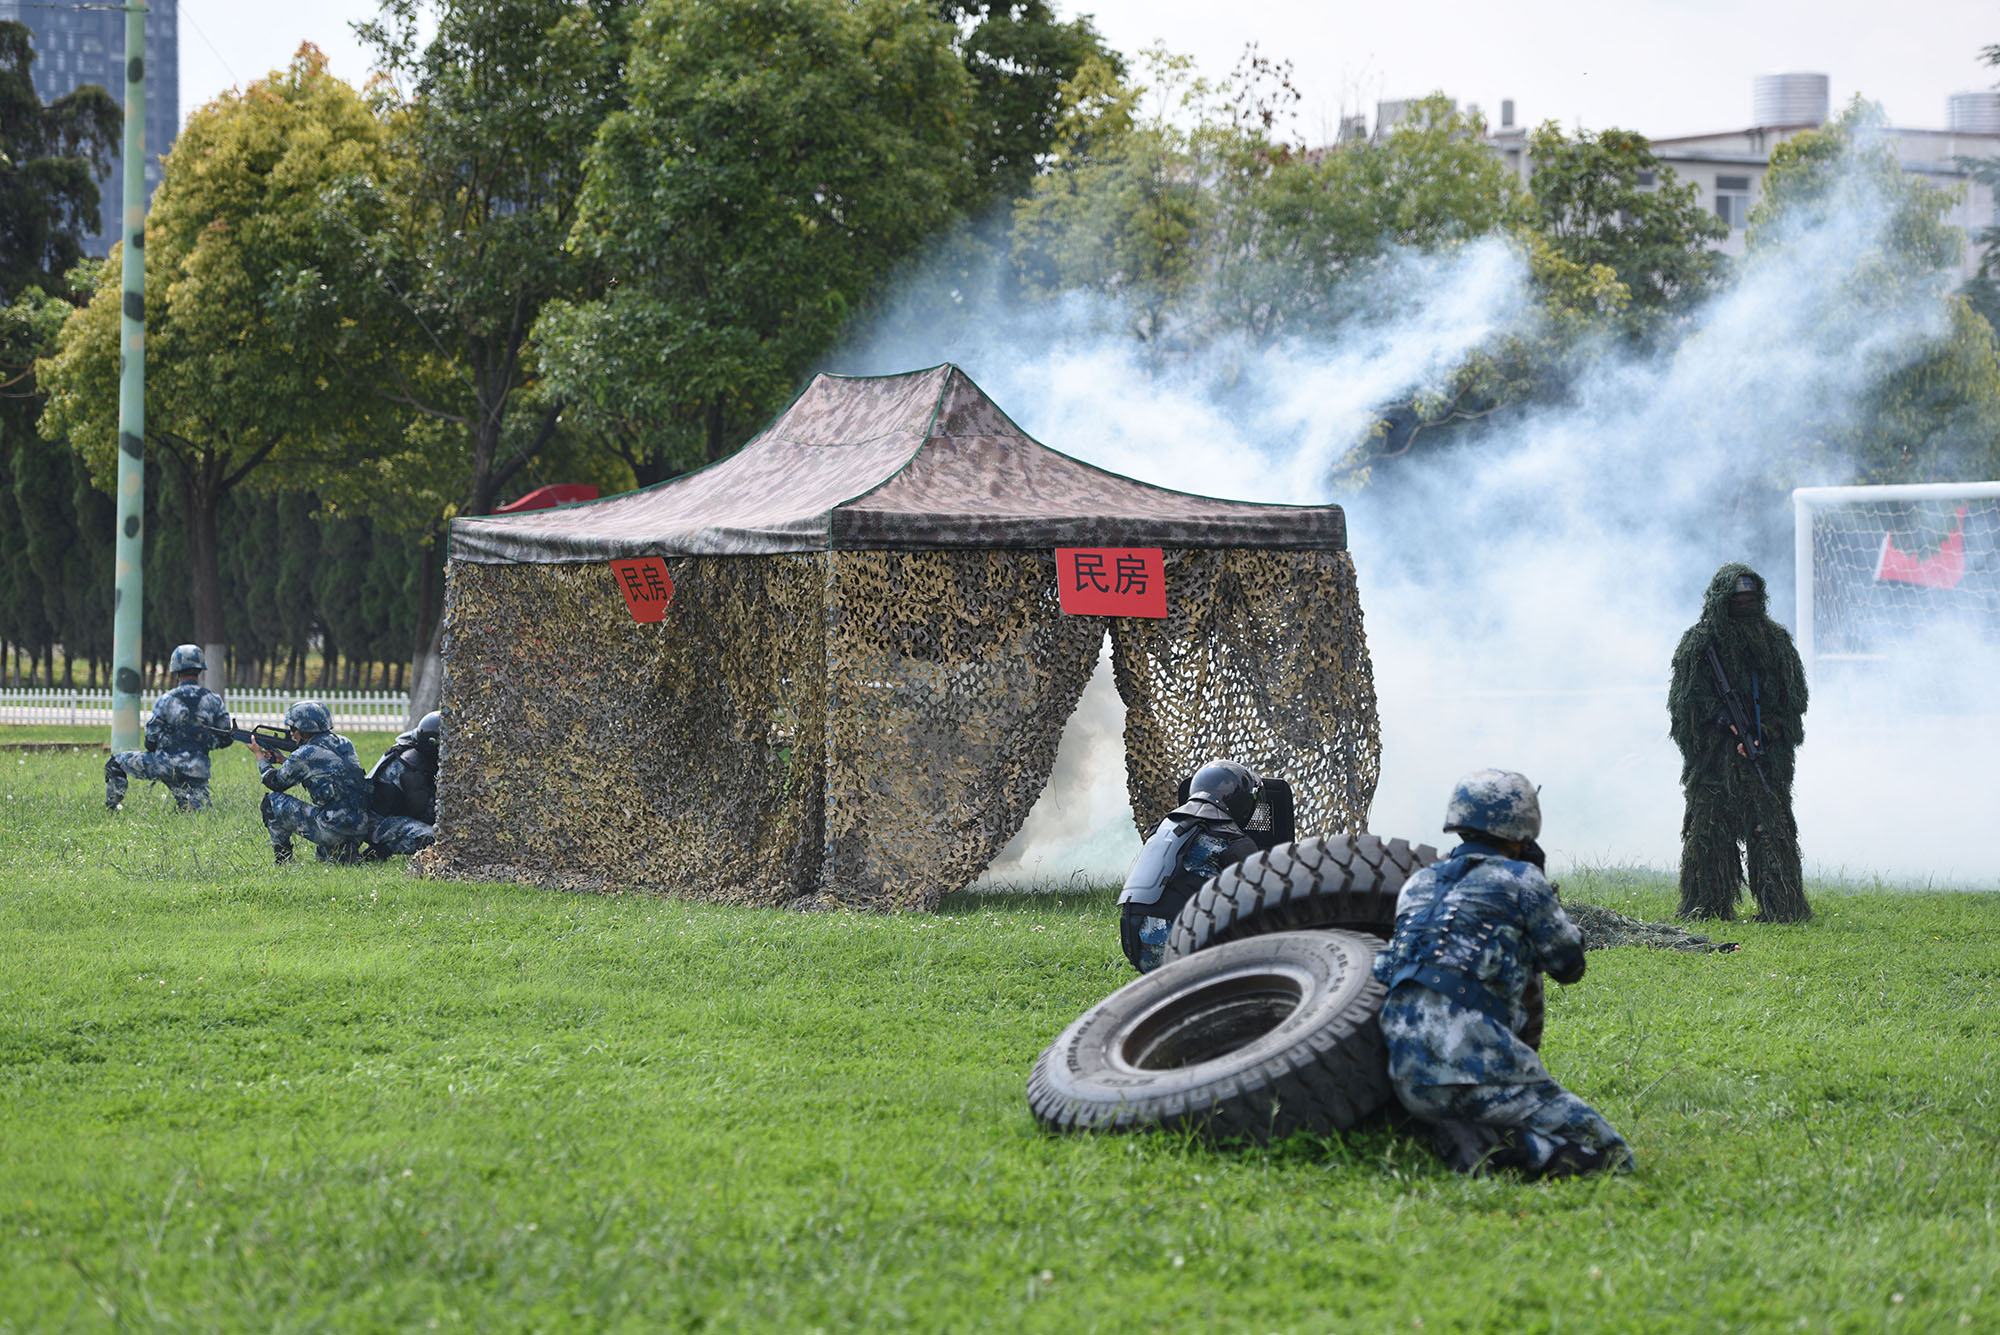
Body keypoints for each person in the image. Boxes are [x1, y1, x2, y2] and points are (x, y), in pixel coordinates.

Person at [1373, 769, 1634, 1180]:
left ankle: (1461, 1128)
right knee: (1611, 1156)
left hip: (1403, 1073)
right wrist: (1541, 888)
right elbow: (1569, 966)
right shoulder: (1522, 880)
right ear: (1524, 824)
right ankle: (1495, 1148)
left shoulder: (1417, 883)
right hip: (1475, 1067)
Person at [1668, 563, 1810, 922]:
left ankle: (1781, 906)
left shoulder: (1775, 643)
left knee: (1772, 833)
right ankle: (1707, 905)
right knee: (1709, 834)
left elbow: (1793, 703)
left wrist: (1766, 735)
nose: (1745, 606)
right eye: (1737, 600)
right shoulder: (1700, 644)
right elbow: (1685, 704)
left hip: (1764, 757)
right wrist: (1722, 723)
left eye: (1750, 599)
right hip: (1715, 761)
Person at [1117, 759, 1263, 973]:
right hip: (1183, 955)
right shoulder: (1233, 840)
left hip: (1136, 946)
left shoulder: (1164, 827)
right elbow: (1262, 900)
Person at [104, 644, 233, 812]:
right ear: (200, 670)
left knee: (115, 763)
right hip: (197, 770)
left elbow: (150, 740)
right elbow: (226, 737)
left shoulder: (166, 700)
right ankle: (189, 804)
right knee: (198, 814)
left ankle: (112, 807)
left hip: (164, 765)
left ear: (175, 670)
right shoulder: (214, 700)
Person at [251, 699, 374, 865]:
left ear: (303, 729)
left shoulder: (304, 753)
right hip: (358, 827)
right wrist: (285, 761)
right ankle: (344, 853)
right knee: (329, 862)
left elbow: (275, 783)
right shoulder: (344, 743)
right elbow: (325, 768)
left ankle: (284, 863)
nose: (292, 733)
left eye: (293, 729)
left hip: (332, 827)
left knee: (271, 803)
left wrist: (259, 756)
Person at [363, 710, 441, 859]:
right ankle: (381, 848)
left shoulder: (423, 758)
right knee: (437, 839)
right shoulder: (407, 767)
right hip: (377, 823)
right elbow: (421, 809)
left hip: (398, 816)